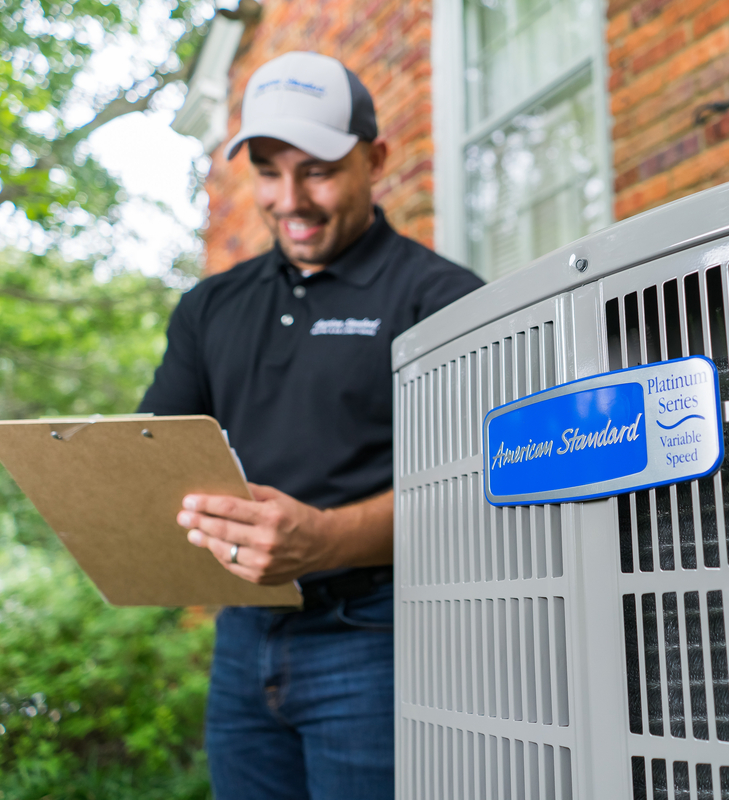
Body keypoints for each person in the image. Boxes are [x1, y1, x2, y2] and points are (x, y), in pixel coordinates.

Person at [138, 51, 483, 799]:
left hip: (380, 635)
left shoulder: (444, 300)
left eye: (317, 170)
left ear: (375, 159)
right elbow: (153, 456)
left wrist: (323, 538)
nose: (290, 199)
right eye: (268, 170)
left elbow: (487, 489)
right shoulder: (210, 308)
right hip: (242, 638)